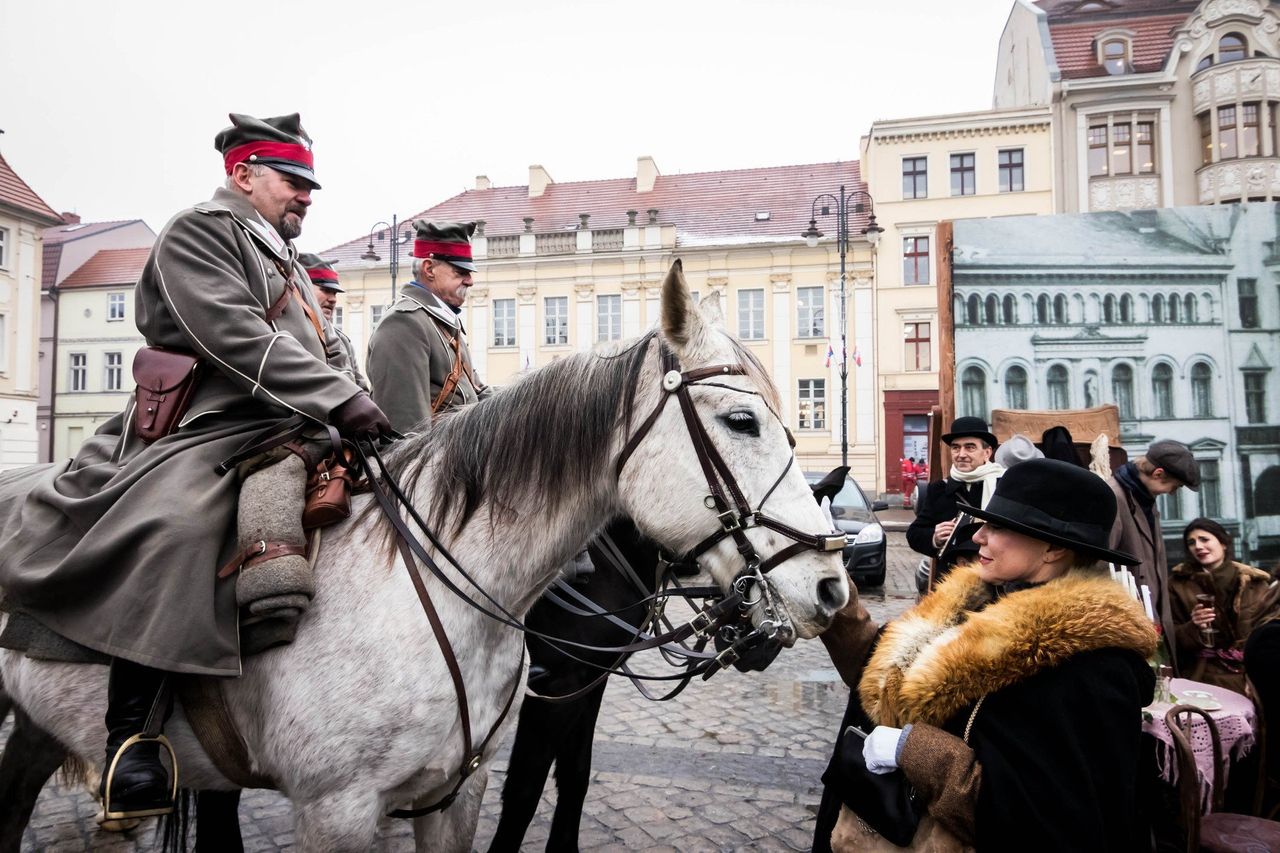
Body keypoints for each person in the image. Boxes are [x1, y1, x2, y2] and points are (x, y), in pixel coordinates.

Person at [0, 112, 390, 821]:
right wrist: (338, 399)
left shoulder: (288, 260)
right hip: (208, 425)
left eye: (310, 185)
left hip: (289, 423)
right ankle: (131, 742)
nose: (306, 196)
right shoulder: (200, 232)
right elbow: (229, 333)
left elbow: (327, 346)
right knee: (179, 524)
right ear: (243, 174)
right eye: (292, 181)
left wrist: (360, 404)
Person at [825, 459, 1157, 851]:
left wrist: (914, 750)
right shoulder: (974, 606)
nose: (978, 536)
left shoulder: (1090, 668)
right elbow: (884, 667)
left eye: (997, 527)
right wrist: (834, 597)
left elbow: (1051, 819)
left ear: (1052, 547)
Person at [367, 220, 491, 434]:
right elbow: (406, 432)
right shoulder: (405, 323)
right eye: (460, 272)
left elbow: (477, 394)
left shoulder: (440, 321)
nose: (470, 281)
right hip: (432, 463)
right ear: (429, 268)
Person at [1108, 439, 1200, 668]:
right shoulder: (1114, 497)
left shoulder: (1145, 499)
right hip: (1131, 623)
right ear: (1158, 473)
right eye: (1176, 486)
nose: (1172, 493)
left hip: (1150, 619)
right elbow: (1101, 565)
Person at [1169, 518, 1280, 693]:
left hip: (1248, 676)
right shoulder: (1177, 584)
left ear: (1223, 543)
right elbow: (1171, 635)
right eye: (1191, 542)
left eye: (1204, 539)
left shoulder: (1254, 582)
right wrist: (1194, 626)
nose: (1198, 546)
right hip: (1201, 676)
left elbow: (1269, 628)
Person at [907, 417, 1003, 577]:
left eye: (970, 447)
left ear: (987, 452)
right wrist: (935, 537)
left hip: (996, 579)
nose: (961, 454)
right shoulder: (939, 489)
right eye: (956, 448)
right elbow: (914, 533)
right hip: (951, 580)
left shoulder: (1003, 486)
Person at [300, 252, 369, 392]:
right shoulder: (285, 330)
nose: (333, 299)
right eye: (326, 290)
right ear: (302, 287)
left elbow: (360, 388)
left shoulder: (342, 341)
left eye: (335, 293)